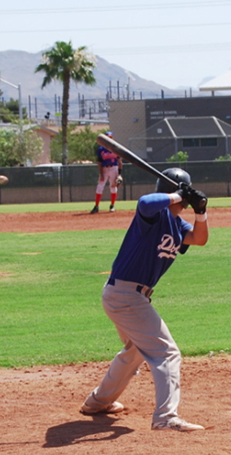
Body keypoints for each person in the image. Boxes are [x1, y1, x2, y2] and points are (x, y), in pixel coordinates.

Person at [80, 168, 209, 432]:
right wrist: (177, 195)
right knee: (167, 352)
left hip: (127, 296)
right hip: (126, 296)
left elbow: (199, 239)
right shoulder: (153, 214)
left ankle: (97, 402)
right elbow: (144, 202)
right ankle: (166, 417)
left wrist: (201, 212)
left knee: (135, 351)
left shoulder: (177, 223)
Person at [91, 131, 123, 214]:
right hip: (104, 168)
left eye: (111, 137)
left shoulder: (116, 148)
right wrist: (101, 174)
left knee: (113, 186)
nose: (109, 139)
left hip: (114, 168)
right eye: (108, 137)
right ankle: (96, 206)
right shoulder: (101, 149)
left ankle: (112, 205)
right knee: (100, 186)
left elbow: (120, 162)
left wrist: (119, 174)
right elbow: (99, 162)